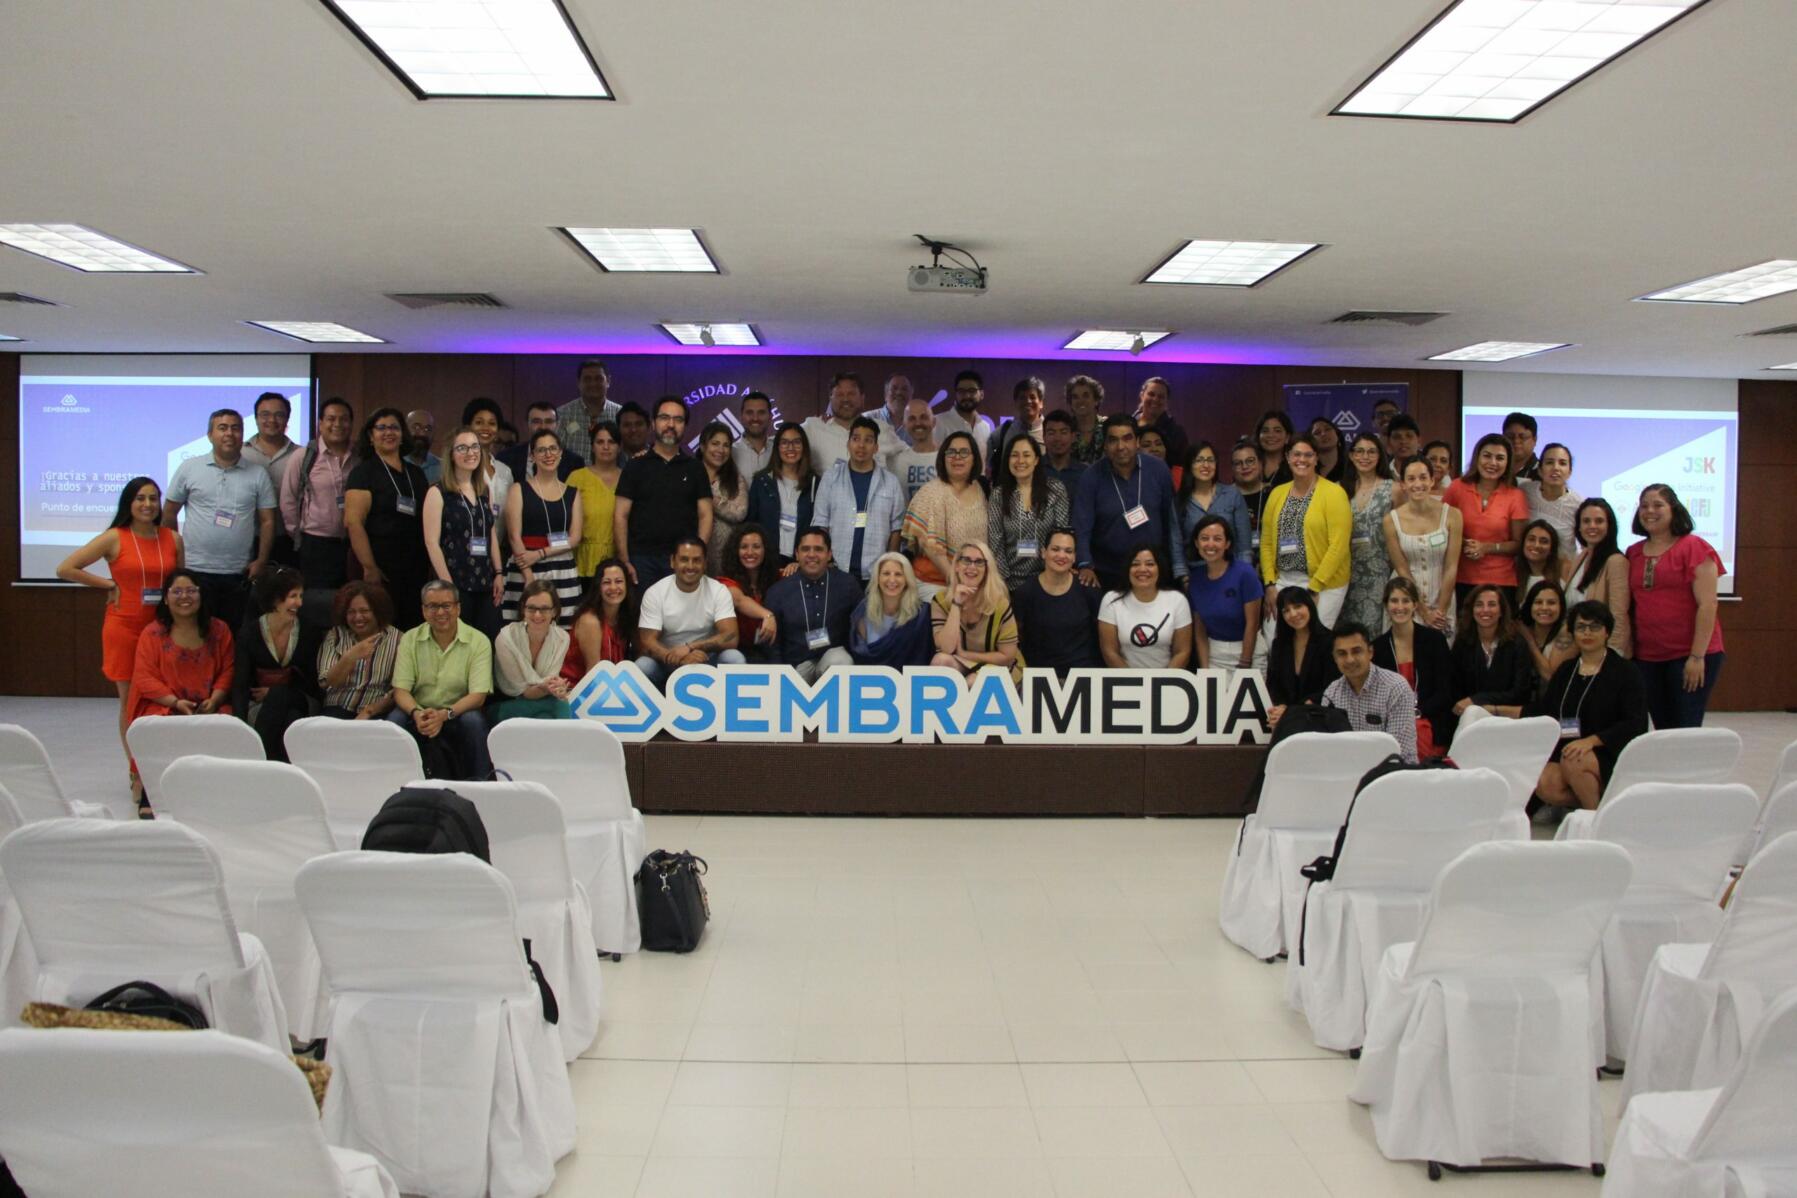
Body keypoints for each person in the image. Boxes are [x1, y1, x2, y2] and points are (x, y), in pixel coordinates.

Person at [58, 476, 183, 761]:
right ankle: (136, 768)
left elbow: (180, 582)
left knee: (164, 697)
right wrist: (108, 585)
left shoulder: (173, 538)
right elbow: (66, 568)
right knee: (131, 701)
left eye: (153, 498)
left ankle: (163, 760)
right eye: (140, 498)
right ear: (129, 502)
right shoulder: (115, 536)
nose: (148, 504)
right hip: (124, 627)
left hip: (164, 630)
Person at [126, 570, 236, 810]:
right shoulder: (152, 633)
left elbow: (228, 669)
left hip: (208, 704)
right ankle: (151, 792)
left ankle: (212, 791)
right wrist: (175, 703)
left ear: (201, 595)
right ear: (165, 598)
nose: (184, 597)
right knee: (154, 726)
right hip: (166, 704)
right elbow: (144, 677)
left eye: (191, 591)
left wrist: (215, 700)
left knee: (227, 725)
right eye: (177, 591)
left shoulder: (220, 631)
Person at [1525, 600, 1649, 810]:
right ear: (1573, 633)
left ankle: (1593, 819)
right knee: (1546, 783)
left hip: (1609, 750)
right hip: (1569, 747)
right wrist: (1498, 710)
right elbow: (1546, 710)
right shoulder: (1566, 670)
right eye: (1581, 627)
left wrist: (1592, 741)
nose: (1587, 633)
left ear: (1607, 632)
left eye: (1595, 627)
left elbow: (1635, 722)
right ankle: (1603, 807)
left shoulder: (1625, 671)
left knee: (1574, 760)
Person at [163, 408, 276, 634]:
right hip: (195, 570)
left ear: (242, 435)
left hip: (238, 573)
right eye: (222, 428)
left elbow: (267, 522)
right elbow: (169, 513)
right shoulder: (189, 468)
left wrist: (261, 560)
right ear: (210, 435)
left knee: (232, 636)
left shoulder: (258, 473)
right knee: (198, 634)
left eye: (235, 428)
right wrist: (175, 557)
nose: (229, 433)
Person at [1627, 483, 1725, 728]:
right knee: (1663, 729)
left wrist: (1696, 656)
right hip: (1648, 657)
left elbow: (1708, 604)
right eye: (1644, 506)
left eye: (1658, 505)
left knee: (1686, 728)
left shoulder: (1694, 546)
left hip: (1689, 655)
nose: (1650, 511)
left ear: (1674, 509)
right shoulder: (1633, 552)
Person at [386, 581, 493, 780]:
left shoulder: (479, 641)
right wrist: (417, 713)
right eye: (433, 606)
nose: (440, 612)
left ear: (458, 608)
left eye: (446, 605)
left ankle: (481, 783)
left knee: (474, 721)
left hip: (457, 711)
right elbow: (400, 689)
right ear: (424, 611)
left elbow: (478, 696)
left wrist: (445, 714)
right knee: (394, 722)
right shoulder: (410, 638)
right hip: (418, 710)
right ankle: (393, 783)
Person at [1072, 415, 1186, 593]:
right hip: (1108, 572)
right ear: (1105, 445)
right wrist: (1085, 564)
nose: (1120, 447)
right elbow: (1082, 527)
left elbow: (1171, 522)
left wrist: (1177, 566)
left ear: (1137, 442)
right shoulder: (1090, 477)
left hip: (1153, 568)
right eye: (1113, 440)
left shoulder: (1158, 469)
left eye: (1127, 438)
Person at [344, 407, 432, 629]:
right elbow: (353, 523)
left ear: (403, 435)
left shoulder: (416, 473)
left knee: (413, 626)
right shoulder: (363, 473)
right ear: (371, 437)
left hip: (414, 567)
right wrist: (369, 567)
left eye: (394, 427)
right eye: (381, 428)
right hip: (379, 567)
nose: (388, 432)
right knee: (381, 625)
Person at [614, 396, 713, 589]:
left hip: (683, 561)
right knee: (644, 619)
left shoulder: (695, 468)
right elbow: (620, 515)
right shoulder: (635, 466)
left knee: (682, 618)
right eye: (664, 418)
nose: (670, 424)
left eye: (678, 419)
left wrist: (696, 556)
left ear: (685, 426)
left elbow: (706, 515)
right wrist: (625, 561)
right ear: (653, 423)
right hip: (641, 561)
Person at [1258, 434, 1353, 631]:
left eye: (1308, 455)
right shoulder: (1277, 493)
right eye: (1296, 454)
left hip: (1324, 584)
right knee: (1274, 638)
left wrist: (1315, 586)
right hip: (1283, 580)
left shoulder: (1334, 493)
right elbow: (1266, 542)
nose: (1302, 460)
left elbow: (1339, 545)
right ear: (1287, 456)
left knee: (1314, 642)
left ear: (1316, 458)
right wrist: (1269, 584)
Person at [422, 425, 504, 639]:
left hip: (486, 583)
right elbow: (432, 543)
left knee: (488, 642)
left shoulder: (484, 490)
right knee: (459, 644)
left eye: (475, 447)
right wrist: (448, 588)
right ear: (451, 454)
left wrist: (499, 573)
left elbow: (491, 533)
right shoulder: (437, 492)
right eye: (463, 448)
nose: (471, 453)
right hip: (456, 583)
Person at [229, 565, 318, 761]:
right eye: (293, 596)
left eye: (301, 596)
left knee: (278, 696)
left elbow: (312, 682)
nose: (299, 603)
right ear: (275, 599)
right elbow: (241, 684)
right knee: (290, 719)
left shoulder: (309, 631)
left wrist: (276, 691)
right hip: (261, 704)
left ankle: (257, 760)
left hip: (300, 697)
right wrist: (239, 725)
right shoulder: (250, 633)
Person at [633, 538, 746, 688]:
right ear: (673, 561)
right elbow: (647, 642)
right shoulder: (655, 592)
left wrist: (690, 648)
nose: (690, 566)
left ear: (705, 564)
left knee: (734, 658)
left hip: (706, 659)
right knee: (642, 666)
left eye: (697, 560)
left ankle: (730, 710)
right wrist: (677, 658)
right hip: (667, 660)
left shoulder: (718, 590)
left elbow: (731, 637)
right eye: (684, 560)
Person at [502, 429, 583, 624]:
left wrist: (540, 554)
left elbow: (575, 538)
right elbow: (514, 537)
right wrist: (529, 578)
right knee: (522, 629)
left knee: (564, 629)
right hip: (525, 567)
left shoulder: (573, 492)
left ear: (561, 452)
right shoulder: (518, 489)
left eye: (553, 448)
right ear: (532, 456)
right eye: (542, 450)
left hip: (562, 567)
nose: (548, 454)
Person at [812, 416, 906, 581]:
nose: (861, 445)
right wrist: (825, 560)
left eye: (868, 440)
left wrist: (890, 564)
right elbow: (821, 523)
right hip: (835, 569)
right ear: (848, 443)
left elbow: (896, 528)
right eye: (856, 439)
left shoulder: (891, 482)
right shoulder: (830, 478)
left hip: (876, 573)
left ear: (876, 447)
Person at [279, 396, 356, 591]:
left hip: (354, 543)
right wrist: (299, 537)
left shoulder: (361, 457)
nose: (337, 424)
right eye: (331, 419)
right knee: (318, 604)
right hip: (315, 544)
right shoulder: (304, 456)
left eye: (343, 419)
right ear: (320, 424)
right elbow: (288, 500)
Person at [1442, 432, 1527, 608]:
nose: (1493, 463)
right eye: (1487, 456)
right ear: (1477, 458)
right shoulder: (1457, 487)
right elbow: (1440, 528)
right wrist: (1462, 542)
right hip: (1461, 577)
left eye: (1500, 458)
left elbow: (1519, 544)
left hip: (1502, 582)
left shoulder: (1515, 496)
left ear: (1508, 462)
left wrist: (1487, 547)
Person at [1373, 577, 1453, 759]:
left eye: (1406, 600)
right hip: (1392, 723)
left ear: (1415, 605)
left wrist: (1416, 712)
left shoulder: (1435, 640)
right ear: (1386, 605)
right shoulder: (1378, 647)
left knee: (1418, 734)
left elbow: (1445, 692)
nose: (1399, 607)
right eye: (1394, 600)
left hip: (1430, 719)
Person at [763, 527, 858, 681]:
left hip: (833, 660)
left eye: (818, 549)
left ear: (829, 555)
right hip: (796, 666)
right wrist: (778, 676)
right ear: (797, 554)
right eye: (805, 549)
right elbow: (772, 643)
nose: (812, 555)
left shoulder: (847, 585)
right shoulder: (778, 591)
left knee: (841, 660)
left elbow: (859, 629)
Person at [1384, 457, 1462, 633]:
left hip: (1443, 592)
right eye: (1411, 479)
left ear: (1432, 480)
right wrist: (1424, 611)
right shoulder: (1391, 520)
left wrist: (1440, 610)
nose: (1418, 484)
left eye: (1423, 477)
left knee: (1440, 653)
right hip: (1405, 596)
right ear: (1403, 484)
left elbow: (1451, 566)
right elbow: (1402, 568)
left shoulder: (1453, 515)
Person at [1322, 623, 1418, 763]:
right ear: (1334, 658)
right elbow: (1330, 748)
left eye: (1356, 651)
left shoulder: (1396, 688)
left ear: (1370, 652)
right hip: (1348, 772)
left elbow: (1399, 752)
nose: (1350, 660)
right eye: (1342, 653)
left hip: (1395, 773)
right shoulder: (1332, 694)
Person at [1010, 528, 1102, 672]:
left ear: (1074, 557)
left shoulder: (1088, 589)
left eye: (1068, 551)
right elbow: (1017, 638)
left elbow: (1099, 637)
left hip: (1083, 675)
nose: (1062, 555)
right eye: (1055, 549)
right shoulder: (1025, 592)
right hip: (1039, 676)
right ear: (1043, 553)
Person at [929, 541, 1023, 682]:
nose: (972, 567)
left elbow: (1007, 656)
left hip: (1001, 667)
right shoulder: (941, 600)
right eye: (966, 560)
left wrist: (965, 654)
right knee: (940, 661)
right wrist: (956, 603)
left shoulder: (999, 603)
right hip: (963, 662)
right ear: (956, 566)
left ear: (986, 569)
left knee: (973, 682)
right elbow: (947, 649)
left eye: (979, 562)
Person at [987, 434, 1070, 590]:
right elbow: (995, 541)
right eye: (1014, 455)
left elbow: (1062, 534)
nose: (1020, 461)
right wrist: (1003, 583)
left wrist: (1053, 575)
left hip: (1048, 579)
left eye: (1026, 455)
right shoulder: (999, 494)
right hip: (1010, 582)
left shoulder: (1055, 490)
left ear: (1037, 460)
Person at [1098, 543, 1197, 670]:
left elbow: (1182, 652)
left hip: (1167, 682)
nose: (1142, 569)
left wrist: (1162, 683)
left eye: (1150, 564)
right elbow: (1110, 652)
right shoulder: (1111, 600)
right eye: (1135, 564)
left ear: (1159, 568)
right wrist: (1134, 683)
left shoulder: (1177, 600)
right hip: (1124, 682)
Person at [1449, 584, 1536, 726]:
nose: (1485, 610)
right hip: (1468, 719)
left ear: (1502, 611)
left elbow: (1520, 692)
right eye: (1479, 605)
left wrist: (1478, 700)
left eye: (1492, 604)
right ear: (1472, 610)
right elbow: (1454, 686)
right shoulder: (1462, 643)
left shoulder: (1517, 644)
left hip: (1507, 720)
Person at [1185, 515, 1260, 674]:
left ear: (1227, 544)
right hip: (1214, 654)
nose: (1210, 544)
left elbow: (1252, 624)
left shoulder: (1245, 573)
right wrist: (1205, 670)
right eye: (1204, 538)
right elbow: (1200, 630)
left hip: (1248, 653)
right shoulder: (1196, 579)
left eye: (1217, 539)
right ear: (1197, 543)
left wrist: (1245, 664)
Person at [316, 581, 400, 720]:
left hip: (374, 712)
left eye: (364, 611)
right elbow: (327, 682)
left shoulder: (398, 639)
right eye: (351, 612)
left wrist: (369, 711)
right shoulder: (336, 635)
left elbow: (396, 691)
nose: (357, 617)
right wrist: (350, 657)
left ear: (378, 611)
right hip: (336, 709)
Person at [493, 580, 574, 721]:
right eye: (531, 608)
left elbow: (549, 685)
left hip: (541, 702)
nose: (537, 615)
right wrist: (549, 686)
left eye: (544, 609)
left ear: (554, 611)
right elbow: (523, 692)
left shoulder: (562, 638)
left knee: (547, 715)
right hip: (506, 703)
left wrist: (556, 687)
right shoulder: (506, 638)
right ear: (523, 609)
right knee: (560, 706)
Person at [745, 422, 819, 569]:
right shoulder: (762, 481)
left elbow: (818, 528)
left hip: (801, 563)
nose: (790, 448)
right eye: (784, 443)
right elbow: (751, 525)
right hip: (766, 562)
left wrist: (800, 561)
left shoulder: (815, 483)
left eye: (796, 442)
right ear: (777, 447)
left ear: (804, 447)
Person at [1341, 432, 1395, 632]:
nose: (1365, 457)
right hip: (1346, 574)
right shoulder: (1340, 489)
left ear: (1380, 456)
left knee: (1375, 632)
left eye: (1371, 452)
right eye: (1360, 451)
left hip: (1380, 573)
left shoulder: (1393, 489)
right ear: (1351, 455)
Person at [1565, 498, 1631, 655]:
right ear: (1579, 527)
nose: (1592, 526)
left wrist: (1613, 655)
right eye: (1586, 521)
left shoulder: (1616, 562)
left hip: (1603, 654)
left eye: (1599, 521)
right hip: (1577, 650)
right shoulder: (1581, 557)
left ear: (1609, 526)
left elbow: (1619, 615)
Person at [1264, 586, 1338, 728]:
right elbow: (1273, 684)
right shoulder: (1279, 644)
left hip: (1320, 717)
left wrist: (1291, 711)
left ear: (1309, 606)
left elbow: (1332, 687)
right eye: (1286, 610)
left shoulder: (1330, 641)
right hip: (1285, 717)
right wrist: (1282, 709)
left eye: (1298, 606)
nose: (1293, 614)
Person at [802, 371, 904, 474]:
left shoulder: (882, 429)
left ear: (862, 398)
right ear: (830, 398)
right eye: (839, 394)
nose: (845, 399)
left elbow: (912, 458)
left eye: (851, 394)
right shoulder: (813, 428)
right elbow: (787, 438)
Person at [242, 391, 300, 564]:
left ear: (287, 419)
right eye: (265, 415)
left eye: (279, 415)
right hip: (248, 539)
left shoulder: (301, 455)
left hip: (289, 538)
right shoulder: (240, 454)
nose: (272, 421)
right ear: (256, 418)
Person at [850, 552, 934, 667]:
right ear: (877, 578)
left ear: (907, 579)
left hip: (909, 682)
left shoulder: (921, 613)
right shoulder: (863, 610)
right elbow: (860, 655)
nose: (892, 580)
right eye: (886, 573)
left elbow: (923, 656)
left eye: (898, 574)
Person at [564, 559, 638, 685]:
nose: (613, 587)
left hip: (609, 686)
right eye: (606, 582)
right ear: (598, 587)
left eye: (619, 581)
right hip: (577, 690)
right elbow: (593, 675)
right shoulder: (590, 621)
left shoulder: (625, 616)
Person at [1177, 441, 1251, 566]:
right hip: (1194, 573)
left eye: (1210, 460)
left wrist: (1243, 575)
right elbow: (1176, 545)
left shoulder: (1232, 495)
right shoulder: (1180, 501)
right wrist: (1183, 577)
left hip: (1230, 571)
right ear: (1190, 465)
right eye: (1199, 460)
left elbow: (1244, 545)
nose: (1206, 465)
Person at [567, 420, 622, 586]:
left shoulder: (629, 478)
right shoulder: (577, 477)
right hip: (582, 561)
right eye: (600, 442)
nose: (606, 447)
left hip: (617, 561)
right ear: (592, 446)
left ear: (619, 447)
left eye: (611, 442)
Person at [716, 523, 782, 660]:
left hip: (771, 647)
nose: (750, 552)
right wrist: (768, 616)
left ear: (765, 550)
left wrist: (796, 565)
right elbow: (739, 600)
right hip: (740, 649)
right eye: (744, 547)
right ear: (735, 551)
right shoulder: (725, 582)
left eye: (756, 547)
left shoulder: (776, 578)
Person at [698, 421, 748, 573]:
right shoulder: (689, 474)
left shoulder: (735, 479)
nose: (721, 450)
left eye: (726, 445)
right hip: (694, 552)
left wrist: (708, 497)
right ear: (702, 446)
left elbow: (739, 512)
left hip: (725, 554)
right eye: (715, 443)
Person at [1517, 442, 1580, 560]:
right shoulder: (1523, 491)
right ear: (1540, 470)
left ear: (1570, 471)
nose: (1556, 468)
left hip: (1563, 572)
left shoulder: (1579, 505)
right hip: (1527, 569)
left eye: (1562, 463)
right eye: (1549, 462)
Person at [555, 358, 622, 461]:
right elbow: (554, 451)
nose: (593, 384)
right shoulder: (562, 414)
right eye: (587, 379)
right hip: (572, 476)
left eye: (598, 378)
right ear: (579, 383)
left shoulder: (620, 414)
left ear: (608, 381)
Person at [459, 397, 515, 515]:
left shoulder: (505, 471)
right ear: (468, 427)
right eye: (479, 422)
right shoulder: (460, 466)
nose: (486, 428)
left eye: (492, 423)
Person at [498, 402, 579, 481]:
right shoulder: (505, 458)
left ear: (557, 425)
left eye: (549, 422)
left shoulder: (574, 462)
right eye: (536, 421)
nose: (543, 427)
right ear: (527, 424)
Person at [1520, 578, 1576, 686]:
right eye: (1538, 602)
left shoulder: (1567, 632)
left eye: (1551, 603)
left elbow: (1550, 676)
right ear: (1530, 606)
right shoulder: (1521, 629)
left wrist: (1529, 641)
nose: (1544, 608)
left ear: (1561, 606)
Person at [936, 369, 995, 461]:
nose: (967, 396)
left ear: (981, 394)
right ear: (956, 394)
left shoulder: (985, 427)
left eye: (972, 391)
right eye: (961, 391)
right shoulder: (939, 423)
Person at [890, 397, 940, 504]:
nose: (918, 423)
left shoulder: (948, 458)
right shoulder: (897, 461)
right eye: (912, 418)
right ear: (904, 425)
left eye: (924, 417)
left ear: (934, 421)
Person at [1230, 439, 1270, 568]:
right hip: (1234, 565)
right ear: (1232, 468)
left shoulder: (1275, 494)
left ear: (1261, 463)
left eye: (1250, 461)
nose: (1245, 466)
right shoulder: (1225, 497)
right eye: (1238, 463)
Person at [992, 376, 1047, 470]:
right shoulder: (1005, 430)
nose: (1028, 401)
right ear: (1016, 402)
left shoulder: (1049, 430)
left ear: (1041, 402)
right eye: (1022, 398)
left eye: (1032, 397)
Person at [1134, 377, 1189, 463]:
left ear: (1166, 401)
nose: (1155, 399)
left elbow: (1180, 466)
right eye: (1151, 394)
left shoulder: (1176, 433)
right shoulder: (1129, 425)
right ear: (1142, 396)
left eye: (1161, 397)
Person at [1515, 519, 1565, 610]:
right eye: (1531, 539)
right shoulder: (1514, 575)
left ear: (1552, 549)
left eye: (1544, 541)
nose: (1537, 545)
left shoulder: (1564, 574)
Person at [1041, 408, 1087, 493]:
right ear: (1044, 437)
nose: (1057, 438)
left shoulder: (1085, 473)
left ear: (1073, 437)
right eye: (1051, 433)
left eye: (1063, 432)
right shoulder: (1034, 470)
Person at [731, 391, 776, 476]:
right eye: (749, 413)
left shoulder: (780, 451)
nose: (755, 418)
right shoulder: (730, 453)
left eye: (761, 412)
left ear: (770, 417)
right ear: (741, 417)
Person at [866, 375, 918, 447]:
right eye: (894, 388)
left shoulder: (919, 424)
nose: (899, 392)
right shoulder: (867, 419)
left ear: (911, 395)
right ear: (885, 395)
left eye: (904, 389)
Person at [1065, 375, 1107, 464]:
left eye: (1086, 395)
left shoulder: (1108, 426)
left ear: (1096, 400)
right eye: (1075, 397)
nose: (1080, 401)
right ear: (1070, 402)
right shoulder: (1065, 429)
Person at [1254, 410, 1295, 486]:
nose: (1271, 435)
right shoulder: (1249, 465)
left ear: (1287, 437)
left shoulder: (1295, 467)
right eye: (1265, 431)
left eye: (1277, 431)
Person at [403, 408, 441, 484]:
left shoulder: (444, 468)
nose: (422, 434)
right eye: (416, 427)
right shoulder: (392, 466)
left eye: (428, 429)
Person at [1308, 416, 1346, 484]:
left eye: (1328, 429)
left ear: (1337, 434)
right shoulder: (1306, 468)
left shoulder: (1350, 466)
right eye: (1317, 433)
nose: (1323, 434)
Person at [1504, 411, 1540, 481]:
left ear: (1534, 440)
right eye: (1510, 437)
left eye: (1522, 437)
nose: (1516, 441)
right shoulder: (1496, 469)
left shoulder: (1543, 472)